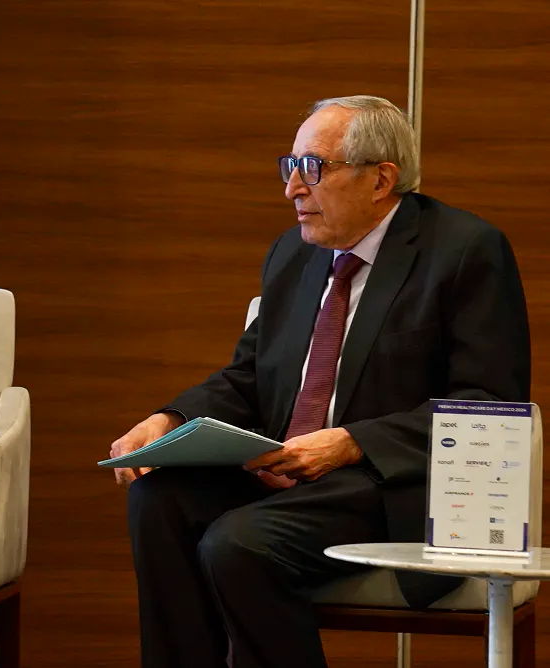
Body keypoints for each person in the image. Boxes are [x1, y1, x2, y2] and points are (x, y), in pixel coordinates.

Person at [110, 95, 531, 668]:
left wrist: (352, 442)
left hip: (385, 485)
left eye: (313, 168)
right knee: (156, 499)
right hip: (285, 470)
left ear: (381, 179)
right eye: (290, 166)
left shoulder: (463, 251)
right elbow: (246, 377)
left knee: (237, 545)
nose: (292, 189)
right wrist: (167, 420)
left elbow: (488, 405)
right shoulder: (293, 252)